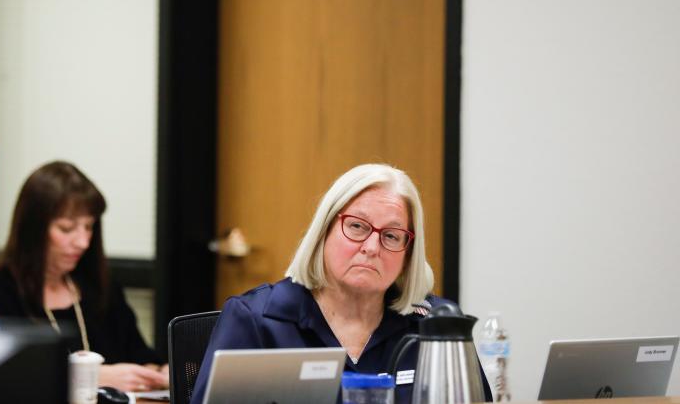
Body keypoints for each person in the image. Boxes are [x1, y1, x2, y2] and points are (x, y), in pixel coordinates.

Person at [190, 163, 491, 404]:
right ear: (324, 232)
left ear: (408, 253)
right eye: (357, 227)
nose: (372, 247)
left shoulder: (436, 324)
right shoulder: (257, 319)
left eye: (391, 236)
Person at [0, 161, 167, 392]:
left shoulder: (101, 288)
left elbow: (139, 354)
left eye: (88, 227)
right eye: (67, 228)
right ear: (33, 228)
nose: (83, 242)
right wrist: (88, 376)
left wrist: (158, 371)